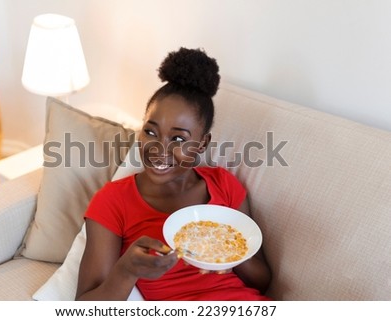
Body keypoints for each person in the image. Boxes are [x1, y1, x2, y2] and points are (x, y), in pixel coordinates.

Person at [76, 47, 271, 301]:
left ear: (201, 144)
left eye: (178, 138)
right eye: (151, 132)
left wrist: (229, 251)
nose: (159, 149)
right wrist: (126, 270)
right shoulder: (113, 201)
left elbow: (263, 281)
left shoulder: (223, 185)